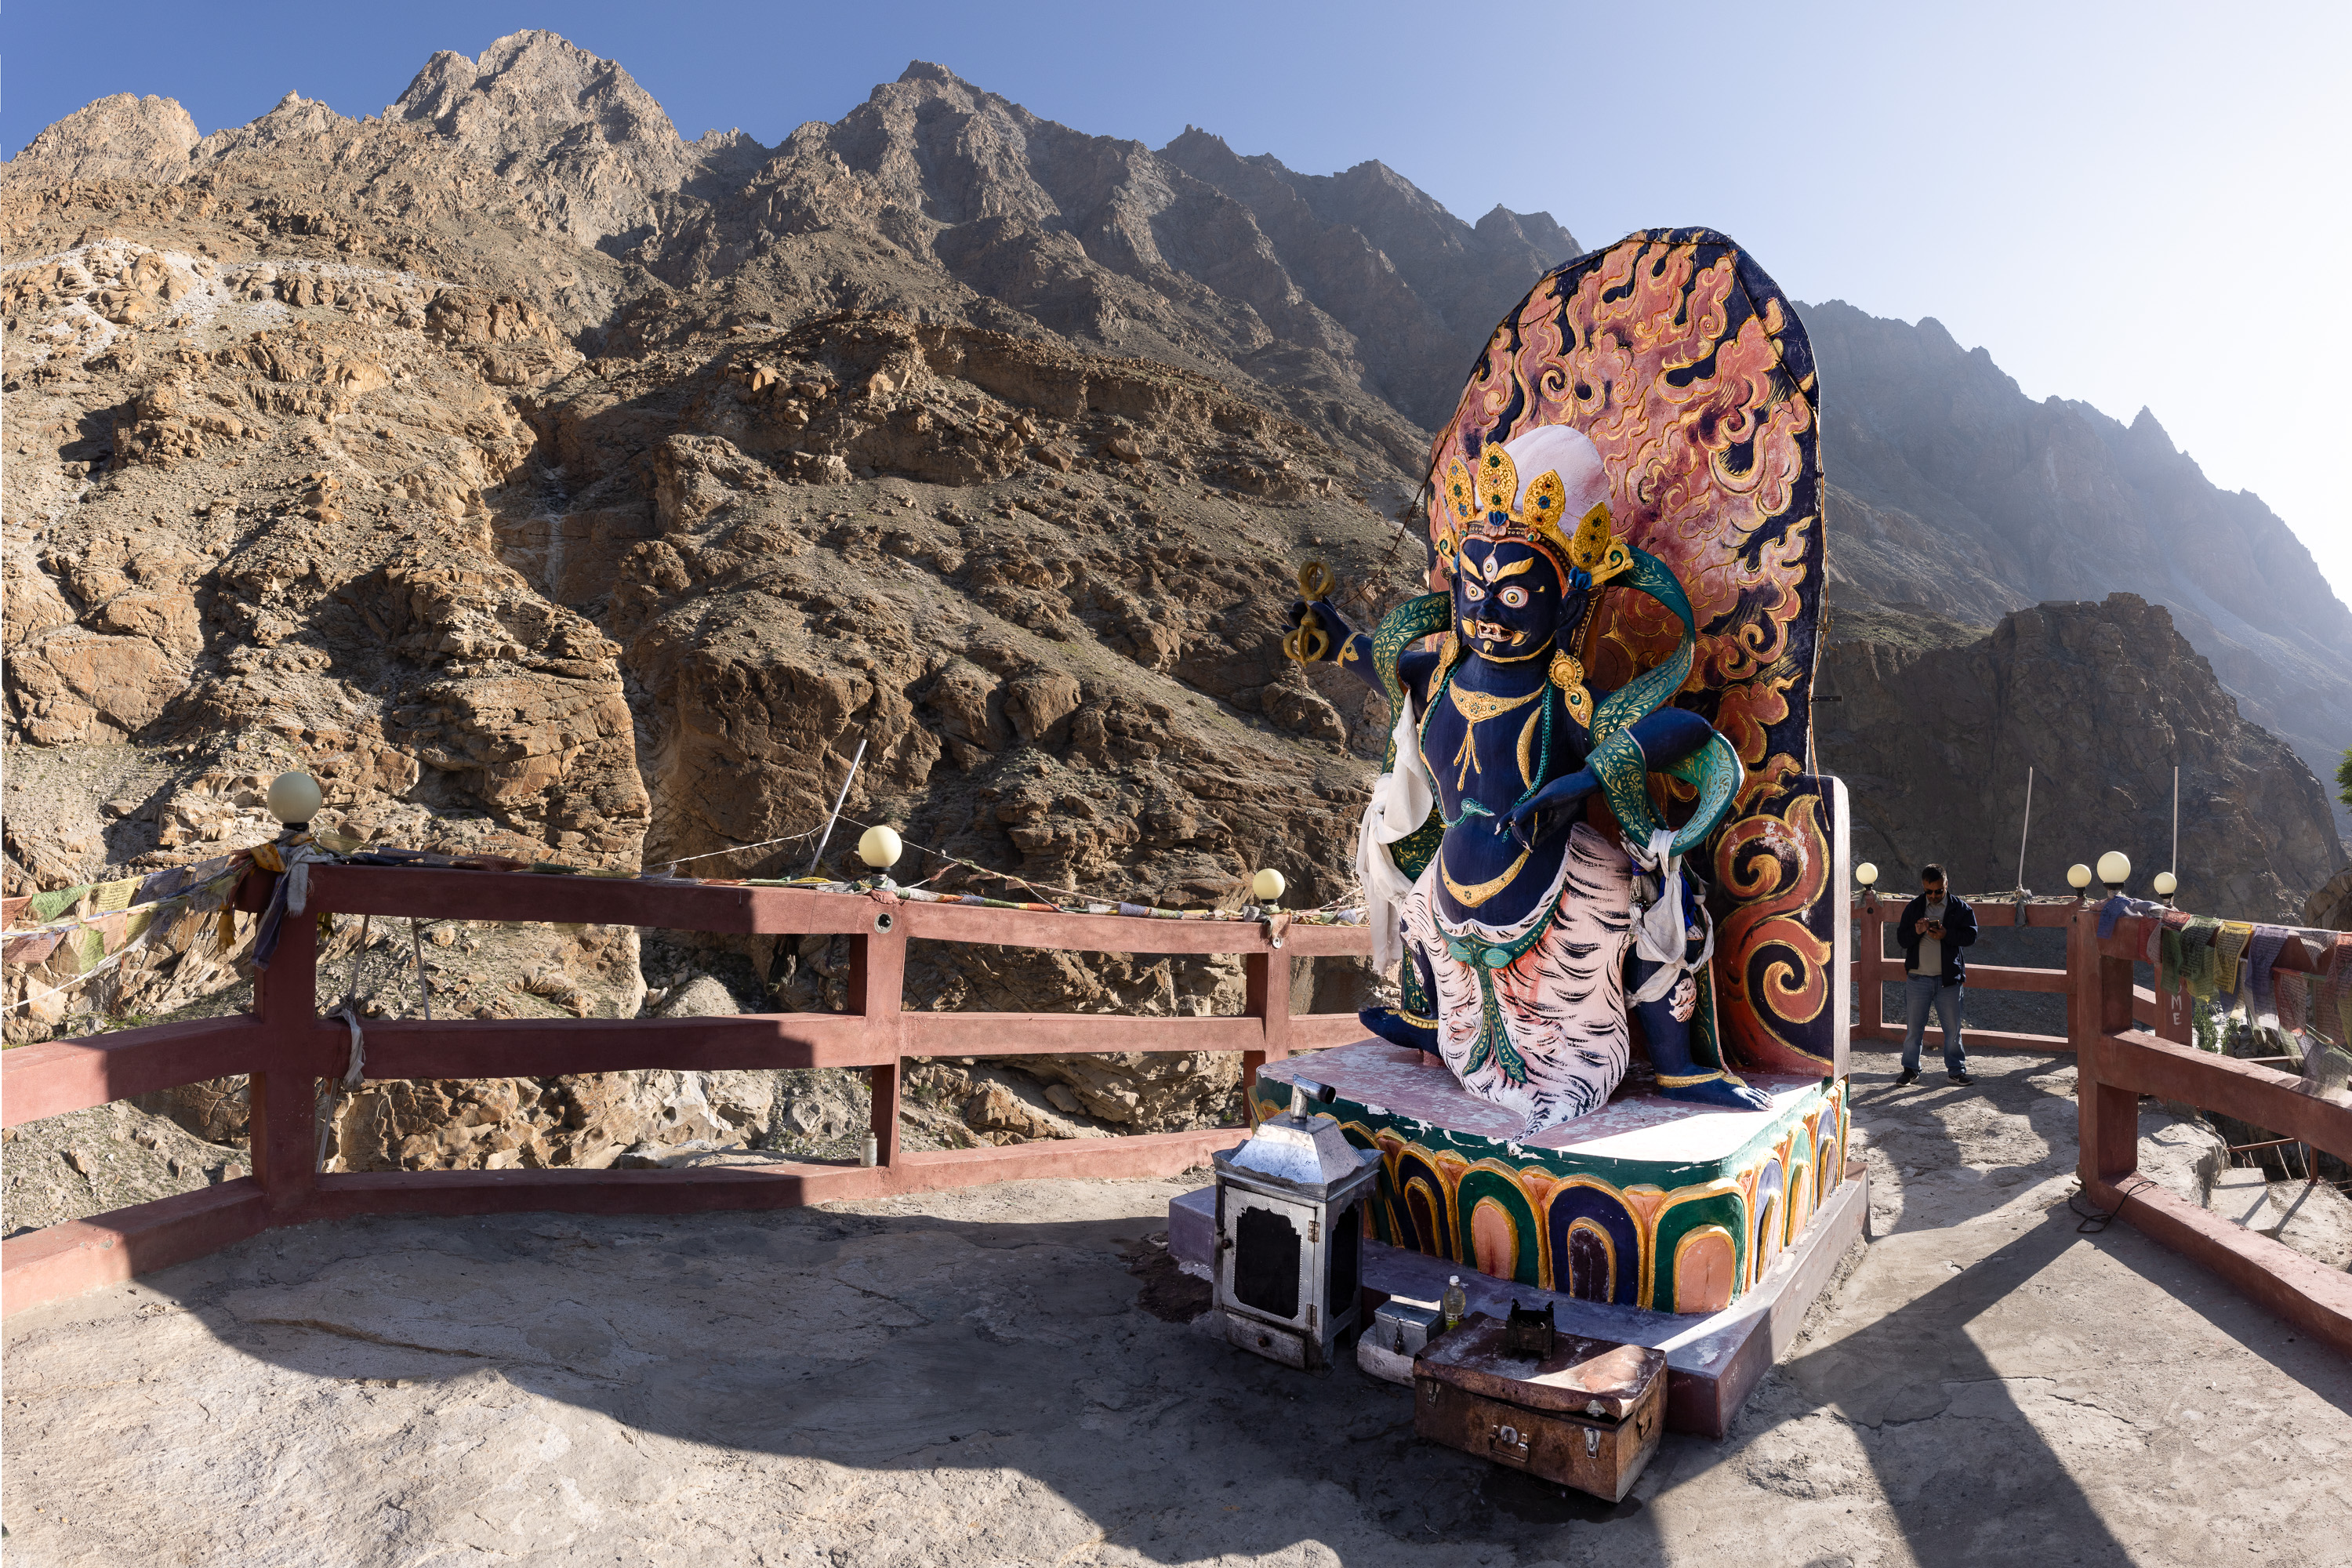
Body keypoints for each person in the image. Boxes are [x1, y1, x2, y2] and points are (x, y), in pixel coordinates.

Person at [1895, 864, 1976, 1085]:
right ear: (1923, 887)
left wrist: (1946, 934)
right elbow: (1902, 939)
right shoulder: (1914, 907)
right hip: (1917, 978)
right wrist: (1917, 931)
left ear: (1946, 884)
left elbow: (1971, 936)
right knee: (1914, 1030)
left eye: (1938, 891)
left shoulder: (1960, 908)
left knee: (1953, 1030)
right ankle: (1910, 1070)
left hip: (1948, 981)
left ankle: (1956, 1071)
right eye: (1928, 891)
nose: (1933, 896)